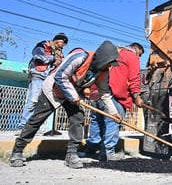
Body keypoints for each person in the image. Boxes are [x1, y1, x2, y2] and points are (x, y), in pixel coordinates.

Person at [9, 40, 120, 169]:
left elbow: (105, 93)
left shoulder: (103, 72)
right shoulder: (79, 57)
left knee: (78, 118)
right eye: (109, 63)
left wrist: (113, 112)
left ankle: (71, 155)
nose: (109, 67)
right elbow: (60, 76)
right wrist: (73, 96)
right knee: (36, 120)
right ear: (102, 58)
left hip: (73, 94)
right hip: (53, 90)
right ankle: (17, 151)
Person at [81, 42, 144, 161]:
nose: (138, 57)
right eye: (139, 54)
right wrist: (136, 96)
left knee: (97, 120)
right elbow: (134, 78)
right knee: (113, 121)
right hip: (115, 95)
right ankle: (108, 153)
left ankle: (91, 149)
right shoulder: (131, 56)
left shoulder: (110, 52)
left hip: (96, 92)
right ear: (136, 49)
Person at [16, 33, 69, 132]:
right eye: (62, 42)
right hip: (38, 75)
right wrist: (53, 59)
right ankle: (22, 126)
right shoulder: (43, 45)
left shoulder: (57, 52)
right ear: (57, 40)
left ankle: (33, 128)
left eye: (64, 44)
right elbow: (38, 57)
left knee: (43, 103)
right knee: (32, 101)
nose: (63, 45)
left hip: (48, 79)